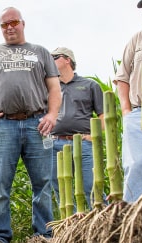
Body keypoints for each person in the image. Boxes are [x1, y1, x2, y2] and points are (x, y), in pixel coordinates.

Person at [0, 7, 61, 243]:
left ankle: (43, 236)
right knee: (0, 184)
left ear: (22, 23)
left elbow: (54, 88)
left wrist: (52, 115)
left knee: (42, 183)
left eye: (13, 22)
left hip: (37, 124)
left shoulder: (40, 52)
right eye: (4, 25)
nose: (9, 27)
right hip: (3, 126)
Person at [51, 47, 104, 211]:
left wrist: (92, 136)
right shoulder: (49, 88)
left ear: (67, 59)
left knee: (91, 186)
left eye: (55, 57)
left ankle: (101, 224)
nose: (50, 60)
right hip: (55, 145)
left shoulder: (89, 85)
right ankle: (72, 229)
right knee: (61, 190)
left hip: (83, 144)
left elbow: (103, 115)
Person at [114, 0, 142, 203]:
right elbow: (122, 77)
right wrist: (126, 111)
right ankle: (132, 219)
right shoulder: (137, 40)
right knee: (136, 164)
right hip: (138, 112)